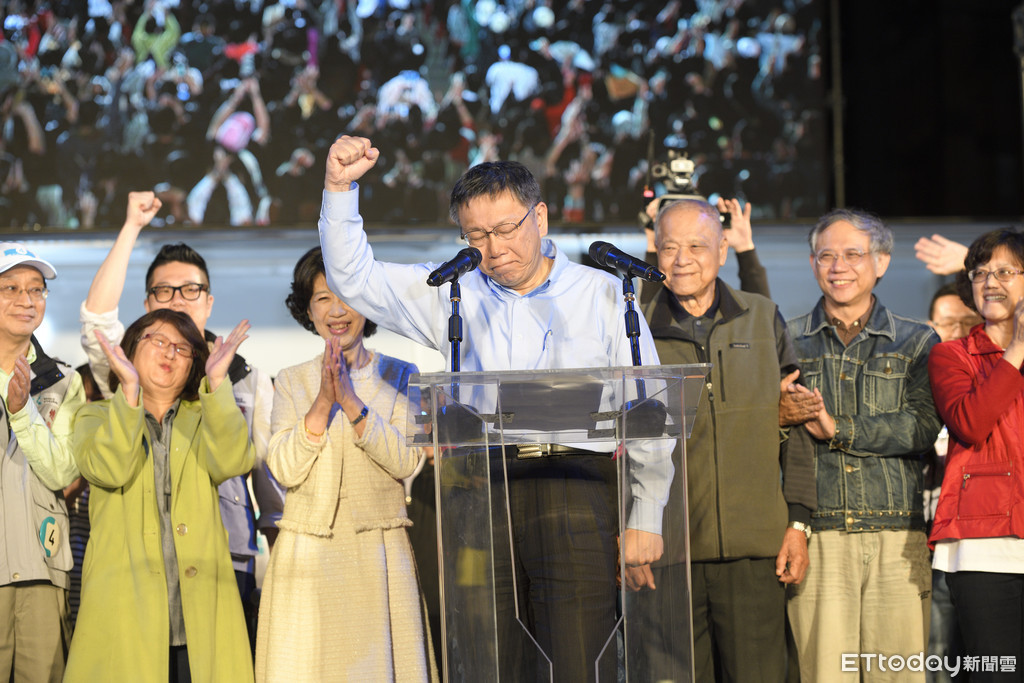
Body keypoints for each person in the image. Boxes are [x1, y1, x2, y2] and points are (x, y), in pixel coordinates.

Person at [318, 135, 669, 682]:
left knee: (578, 659)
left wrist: (646, 514)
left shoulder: (603, 293)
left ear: (540, 217)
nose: (494, 247)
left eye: (506, 229)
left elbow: (649, 410)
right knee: (492, 660)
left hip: (575, 488)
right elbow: (354, 278)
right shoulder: (451, 289)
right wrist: (339, 188)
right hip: (481, 493)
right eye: (476, 235)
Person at [79, 191, 282, 646]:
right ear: (147, 303)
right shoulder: (128, 369)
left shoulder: (246, 378)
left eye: (190, 290)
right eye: (164, 291)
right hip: (143, 558)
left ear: (208, 301)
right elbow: (96, 320)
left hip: (226, 556)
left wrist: (279, 564)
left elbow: (267, 486)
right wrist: (132, 226)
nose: (178, 300)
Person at [631, 199, 817, 681]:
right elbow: (615, 440)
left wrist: (798, 524)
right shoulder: (633, 328)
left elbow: (795, 426)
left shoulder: (763, 317)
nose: (682, 260)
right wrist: (626, 532)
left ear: (722, 249)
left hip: (755, 552)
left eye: (697, 246)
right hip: (665, 552)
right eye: (669, 247)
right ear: (655, 251)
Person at [255, 246, 436, 681]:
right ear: (308, 310)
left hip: (379, 549)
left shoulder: (402, 374)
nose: (337, 311)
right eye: (323, 298)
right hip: (305, 551)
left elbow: (406, 460)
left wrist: (352, 402)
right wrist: (323, 401)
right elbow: (283, 467)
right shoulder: (292, 380)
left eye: (348, 296)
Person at [786, 208, 942, 681]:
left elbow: (923, 426)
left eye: (853, 254)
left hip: (899, 537)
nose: (839, 267)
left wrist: (839, 428)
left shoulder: (918, 341)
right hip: (819, 536)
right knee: (825, 673)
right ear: (812, 263)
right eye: (826, 256)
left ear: (882, 262)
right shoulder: (787, 341)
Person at [66, 310, 254, 682]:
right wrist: (129, 394)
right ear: (130, 349)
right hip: (123, 612)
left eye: (183, 349)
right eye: (159, 341)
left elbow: (234, 460)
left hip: (198, 615)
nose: (170, 353)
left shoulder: (206, 416)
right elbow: (109, 469)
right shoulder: (95, 417)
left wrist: (217, 383)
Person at [928, 228, 1024, 682]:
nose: (990, 282)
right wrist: (1017, 350)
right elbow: (969, 423)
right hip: (984, 548)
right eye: (980, 272)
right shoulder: (952, 355)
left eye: (1005, 271)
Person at [0, 243, 86, 683]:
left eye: (36, 289)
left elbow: (63, 472)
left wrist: (21, 413)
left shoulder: (64, 381)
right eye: (10, 288)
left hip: (41, 566)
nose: (26, 300)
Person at [923, 283, 979, 683]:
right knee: (936, 650)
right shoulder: (920, 384)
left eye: (967, 321)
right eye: (947, 322)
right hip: (927, 541)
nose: (957, 331)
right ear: (930, 326)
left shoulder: (993, 381)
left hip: (978, 540)